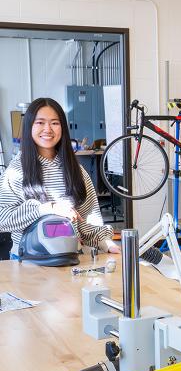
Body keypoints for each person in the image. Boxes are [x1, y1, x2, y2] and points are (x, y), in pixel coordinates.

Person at [0, 97, 119, 258]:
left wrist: (105, 242)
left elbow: (87, 220)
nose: (48, 129)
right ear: (29, 127)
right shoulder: (16, 171)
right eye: (40, 122)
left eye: (55, 123)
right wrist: (47, 208)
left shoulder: (75, 169)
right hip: (28, 260)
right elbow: (3, 219)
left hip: (70, 257)